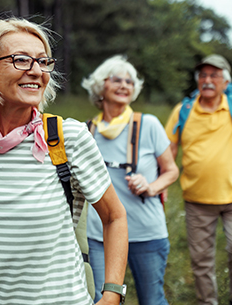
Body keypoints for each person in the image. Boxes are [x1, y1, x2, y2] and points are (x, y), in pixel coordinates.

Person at [0, 18, 129, 305]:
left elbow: (114, 217)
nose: (36, 71)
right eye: (21, 60)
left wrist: (112, 294)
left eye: (43, 61)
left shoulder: (68, 137)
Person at [80, 55, 179, 305]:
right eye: (117, 80)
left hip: (145, 232)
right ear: (100, 86)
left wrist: (150, 186)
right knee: (101, 299)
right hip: (99, 234)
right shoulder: (85, 131)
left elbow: (171, 170)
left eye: (130, 82)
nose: (125, 85)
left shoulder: (149, 125)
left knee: (151, 300)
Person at [162, 54, 232, 305]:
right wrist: (161, 183)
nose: (207, 80)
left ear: (225, 82)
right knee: (201, 260)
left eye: (214, 75)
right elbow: (168, 150)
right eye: (203, 75)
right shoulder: (183, 110)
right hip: (197, 199)